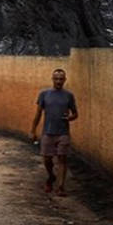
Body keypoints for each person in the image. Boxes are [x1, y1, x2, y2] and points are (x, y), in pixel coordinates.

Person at [30, 68, 78, 196]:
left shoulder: (69, 96)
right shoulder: (44, 94)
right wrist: (33, 130)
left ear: (65, 80)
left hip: (63, 133)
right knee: (47, 159)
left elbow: (75, 114)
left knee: (62, 159)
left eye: (61, 79)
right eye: (56, 79)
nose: (58, 81)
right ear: (52, 79)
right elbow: (38, 114)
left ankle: (60, 187)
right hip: (48, 132)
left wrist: (70, 118)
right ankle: (51, 176)